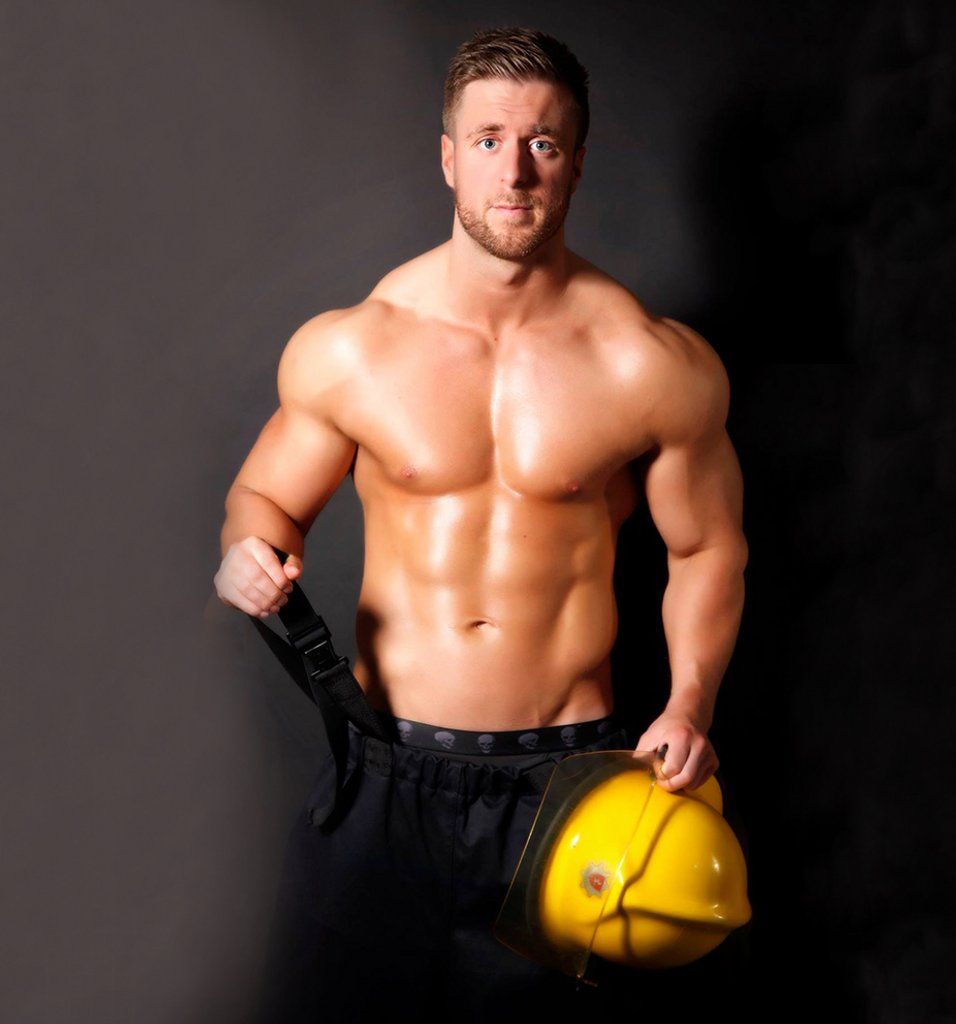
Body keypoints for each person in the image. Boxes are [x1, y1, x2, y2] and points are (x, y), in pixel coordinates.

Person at [212, 25, 748, 1023]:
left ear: (577, 161)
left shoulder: (650, 362)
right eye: (490, 139)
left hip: (569, 786)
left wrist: (690, 702)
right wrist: (246, 554)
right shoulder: (354, 349)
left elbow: (706, 546)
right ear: (448, 156)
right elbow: (264, 501)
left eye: (543, 143)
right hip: (382, 773)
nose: (515, 171)